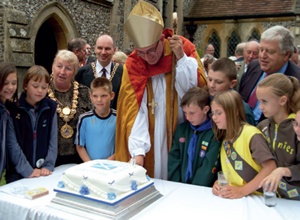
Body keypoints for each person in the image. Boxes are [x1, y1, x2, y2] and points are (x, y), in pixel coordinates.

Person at [115, 0, 207, 179]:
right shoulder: (134, 64)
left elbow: (195, 94)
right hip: (148, 133)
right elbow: (134, 112)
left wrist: (180, 58)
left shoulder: (182, 49)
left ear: (161, 40)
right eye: (141, 52)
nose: (147, 58)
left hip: (180, 127)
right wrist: (138, 150)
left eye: (150, 51)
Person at [211, 90, 276, 199]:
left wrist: (242, 191)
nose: (214, 117)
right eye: (213, 113)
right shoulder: (226, 139)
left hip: (259, 198)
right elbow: (231, 174)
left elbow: (270, 168)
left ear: (235, 112)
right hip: (236, 197)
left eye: (219, 113)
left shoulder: (251, 134)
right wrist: (218, 183)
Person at [6, 65, 57, 182]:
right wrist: (27, 170)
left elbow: (53, 140)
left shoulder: (51, 107)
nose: (40, 90)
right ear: (25, 86)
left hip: (43, 170)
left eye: (44, 87)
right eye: (35, 86)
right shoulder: (14, 108)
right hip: (17, 172)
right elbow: (12, 144)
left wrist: (48, 165)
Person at [239, 25, 300, 125]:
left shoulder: (296, 80)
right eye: (261, 50)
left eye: (270, 52)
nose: (263, 56)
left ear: (286, 54)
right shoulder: (254, 66)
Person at [256, 73, 300, 200]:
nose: (260, 107)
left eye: (264, 101)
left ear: (282, 100)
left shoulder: (296, 129)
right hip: (269, 196)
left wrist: (283, 171)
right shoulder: (262, 126)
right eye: (259, 101)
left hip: (294, 200)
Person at [168, 87, 221, 186]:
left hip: (201, 189)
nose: (187, 118)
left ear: (206, 109)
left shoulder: (214, 133)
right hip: (179, 187)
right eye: (185, 113)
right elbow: (174, 159)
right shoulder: (182, 130)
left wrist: (194, 189)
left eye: (192, 113)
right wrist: (175, 184)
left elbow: (208, 166)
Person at [48, 50, 93, 166]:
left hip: (79, 155)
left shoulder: (84, 92)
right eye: (59, 66)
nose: (62, 72)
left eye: (68, 68)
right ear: (52, 67)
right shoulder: (42, 91)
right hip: (49, 157)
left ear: (74, 72)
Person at [0, 62, 40, 185]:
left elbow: (11, 142)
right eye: (6, 83)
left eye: (14, 83)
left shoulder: (8, 108)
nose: (11, 87)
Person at [75, 34, 123, 110]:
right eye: (100, 48)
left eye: (107, 49)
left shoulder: (122, 73)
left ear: (114, 50)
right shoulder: (82, 73)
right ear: (95, 49)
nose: (103, 52)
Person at [75, 77, 116, 162]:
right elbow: (80, 145)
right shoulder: (84, 119)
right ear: (90, 96)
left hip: (113, 165)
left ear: (111, 95)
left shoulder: (118, 118)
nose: (99, 100)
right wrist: (90, 164)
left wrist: (108, 162)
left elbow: (123, 145)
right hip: (90, 167)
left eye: (104, 96)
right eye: (95, 96)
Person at [207, 58, 255, 125]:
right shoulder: (204, 100)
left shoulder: (242, 110)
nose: (211, 85)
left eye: (218, 82)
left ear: (232, 83)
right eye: (209, 79)